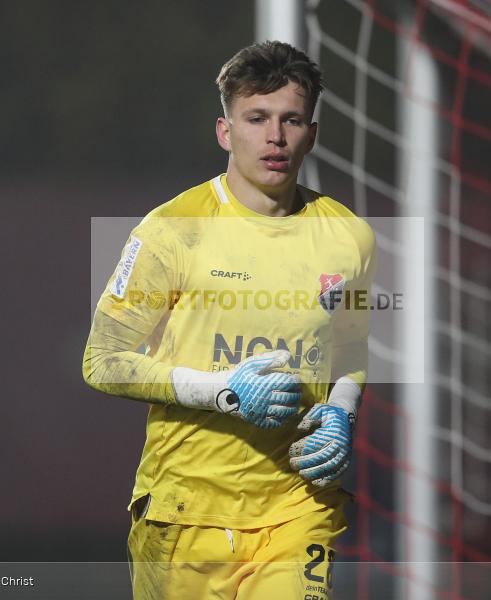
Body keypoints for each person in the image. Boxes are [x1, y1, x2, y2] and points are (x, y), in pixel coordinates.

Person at [83, 40, 376, 600]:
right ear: (225, 131)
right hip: (186, 510)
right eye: (257, 119)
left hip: (297, 505)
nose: (275, 137)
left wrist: (342, 411)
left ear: (311, 134)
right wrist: (223, 391)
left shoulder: (349, 238)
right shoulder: (172, 230)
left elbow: (352, 348)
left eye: (291, 120)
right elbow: (101, 362)